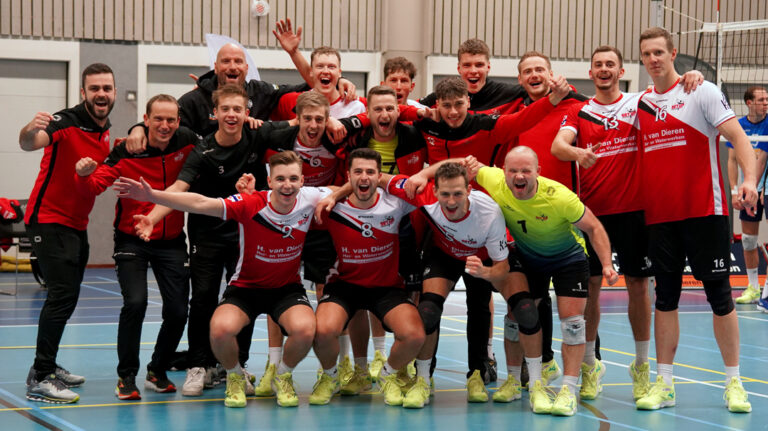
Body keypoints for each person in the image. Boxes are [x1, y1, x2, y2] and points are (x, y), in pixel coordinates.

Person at [114, 151, 330, 408]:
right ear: (270, 181)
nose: (287, 185)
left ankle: (282, 375)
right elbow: (200, 202)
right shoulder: (250, 203)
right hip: (246, 288)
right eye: (280, 179)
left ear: (303, 181)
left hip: (286, 289)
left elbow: (343, 189)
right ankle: (235, 376)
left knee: (306, 330)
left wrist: (334, 197)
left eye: (293, 179)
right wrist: (152, 197)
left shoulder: (311, 198)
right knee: (219, 330)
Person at [132, 84, 291, 397]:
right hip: (207, 236)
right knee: (203, 298)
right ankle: (198, 365)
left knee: (243, 301)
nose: (231, 115)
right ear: (214, 113)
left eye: (237, 109)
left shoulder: (259, 135)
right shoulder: (202, 150)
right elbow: (179, 187)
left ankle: (236, 365)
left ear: (247, 113)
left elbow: (301, 122)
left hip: (245, 235)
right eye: (225, 109)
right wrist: (152, 216)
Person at [634, 26, 756, 413]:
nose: (653, 59)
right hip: (661, 217)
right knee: (665, 298)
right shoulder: (639, 104)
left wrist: (750, 180)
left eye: (659, 52)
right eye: (646, 54)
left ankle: (734, 382)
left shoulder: (700, 91)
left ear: (673, 53)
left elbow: (739, 138)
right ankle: (665, 385)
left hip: (706, 211)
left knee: (720, 298)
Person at [472, 146, 619, 416]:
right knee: (516, 316)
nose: (519, 176)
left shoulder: (559, 197)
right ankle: (515, 380)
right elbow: (464, 165)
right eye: (513, 170)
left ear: (538, 172)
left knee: (573, 324)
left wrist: (607, 264)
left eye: (526, 171)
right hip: (529, 257)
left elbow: (594, 227)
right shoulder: (492, 179)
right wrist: (422, 177)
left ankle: (568, 390)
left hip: (568, 259)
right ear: (503, 172)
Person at [73, 94, 199, 400]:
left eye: (171, 120)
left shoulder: (188, 143)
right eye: (158, 119)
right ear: (146, 120)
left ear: (179, 122)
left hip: (171, 241)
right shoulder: (127, 149)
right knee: (136, 303)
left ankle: (157, 370)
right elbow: (93, 187)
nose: (165, 125)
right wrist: (83, 173)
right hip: (132, 238)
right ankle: (126, 375)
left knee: (179, 309)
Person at [19, 63, 116, 404]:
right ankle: (41, 377)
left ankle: (48, 364)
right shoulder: (66, 121)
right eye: (95, 88)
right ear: (83, 93)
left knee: (69, 296)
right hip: (47, 220)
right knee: (61, 295)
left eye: (107, 88)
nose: (101, 94)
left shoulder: (104, 133)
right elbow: (30, 143)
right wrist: (30, 129)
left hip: (77, 225)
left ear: (114, 93)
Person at [307, 148, 426, 407]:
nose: (364, 177)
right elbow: (286, 198)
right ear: (348, 175)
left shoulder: (395, 202)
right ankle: (330, 377)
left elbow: (424, 189)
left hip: (386, 286)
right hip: (345, 285)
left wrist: (391, 179)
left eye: (371, 172)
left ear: (379, 176)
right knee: (323, 331)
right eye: (358, 172)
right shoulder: (330, 205)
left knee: (415, 335)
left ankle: (388, 375)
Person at [731, 86, 768, 307]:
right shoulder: (738, 125)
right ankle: (753, 287)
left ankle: (766, 292)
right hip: (748, 189)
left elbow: (763, 161)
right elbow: (731, 160)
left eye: (767, 99)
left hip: (762, 189)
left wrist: (758, 188)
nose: (766, 103)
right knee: (748, 240)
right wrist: (736, 190)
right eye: (761, 99)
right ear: (749, 102)